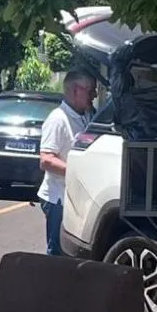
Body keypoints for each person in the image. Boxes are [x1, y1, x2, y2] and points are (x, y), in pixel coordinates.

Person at [37, 68, 97, 257]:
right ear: (75, 90)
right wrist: (77, 171)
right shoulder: (58, 119)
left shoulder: (86, 116)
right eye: (91, 90)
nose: (94, 96)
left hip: (75, 198)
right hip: (58, 198)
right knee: (58, 252)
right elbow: (46, 160)